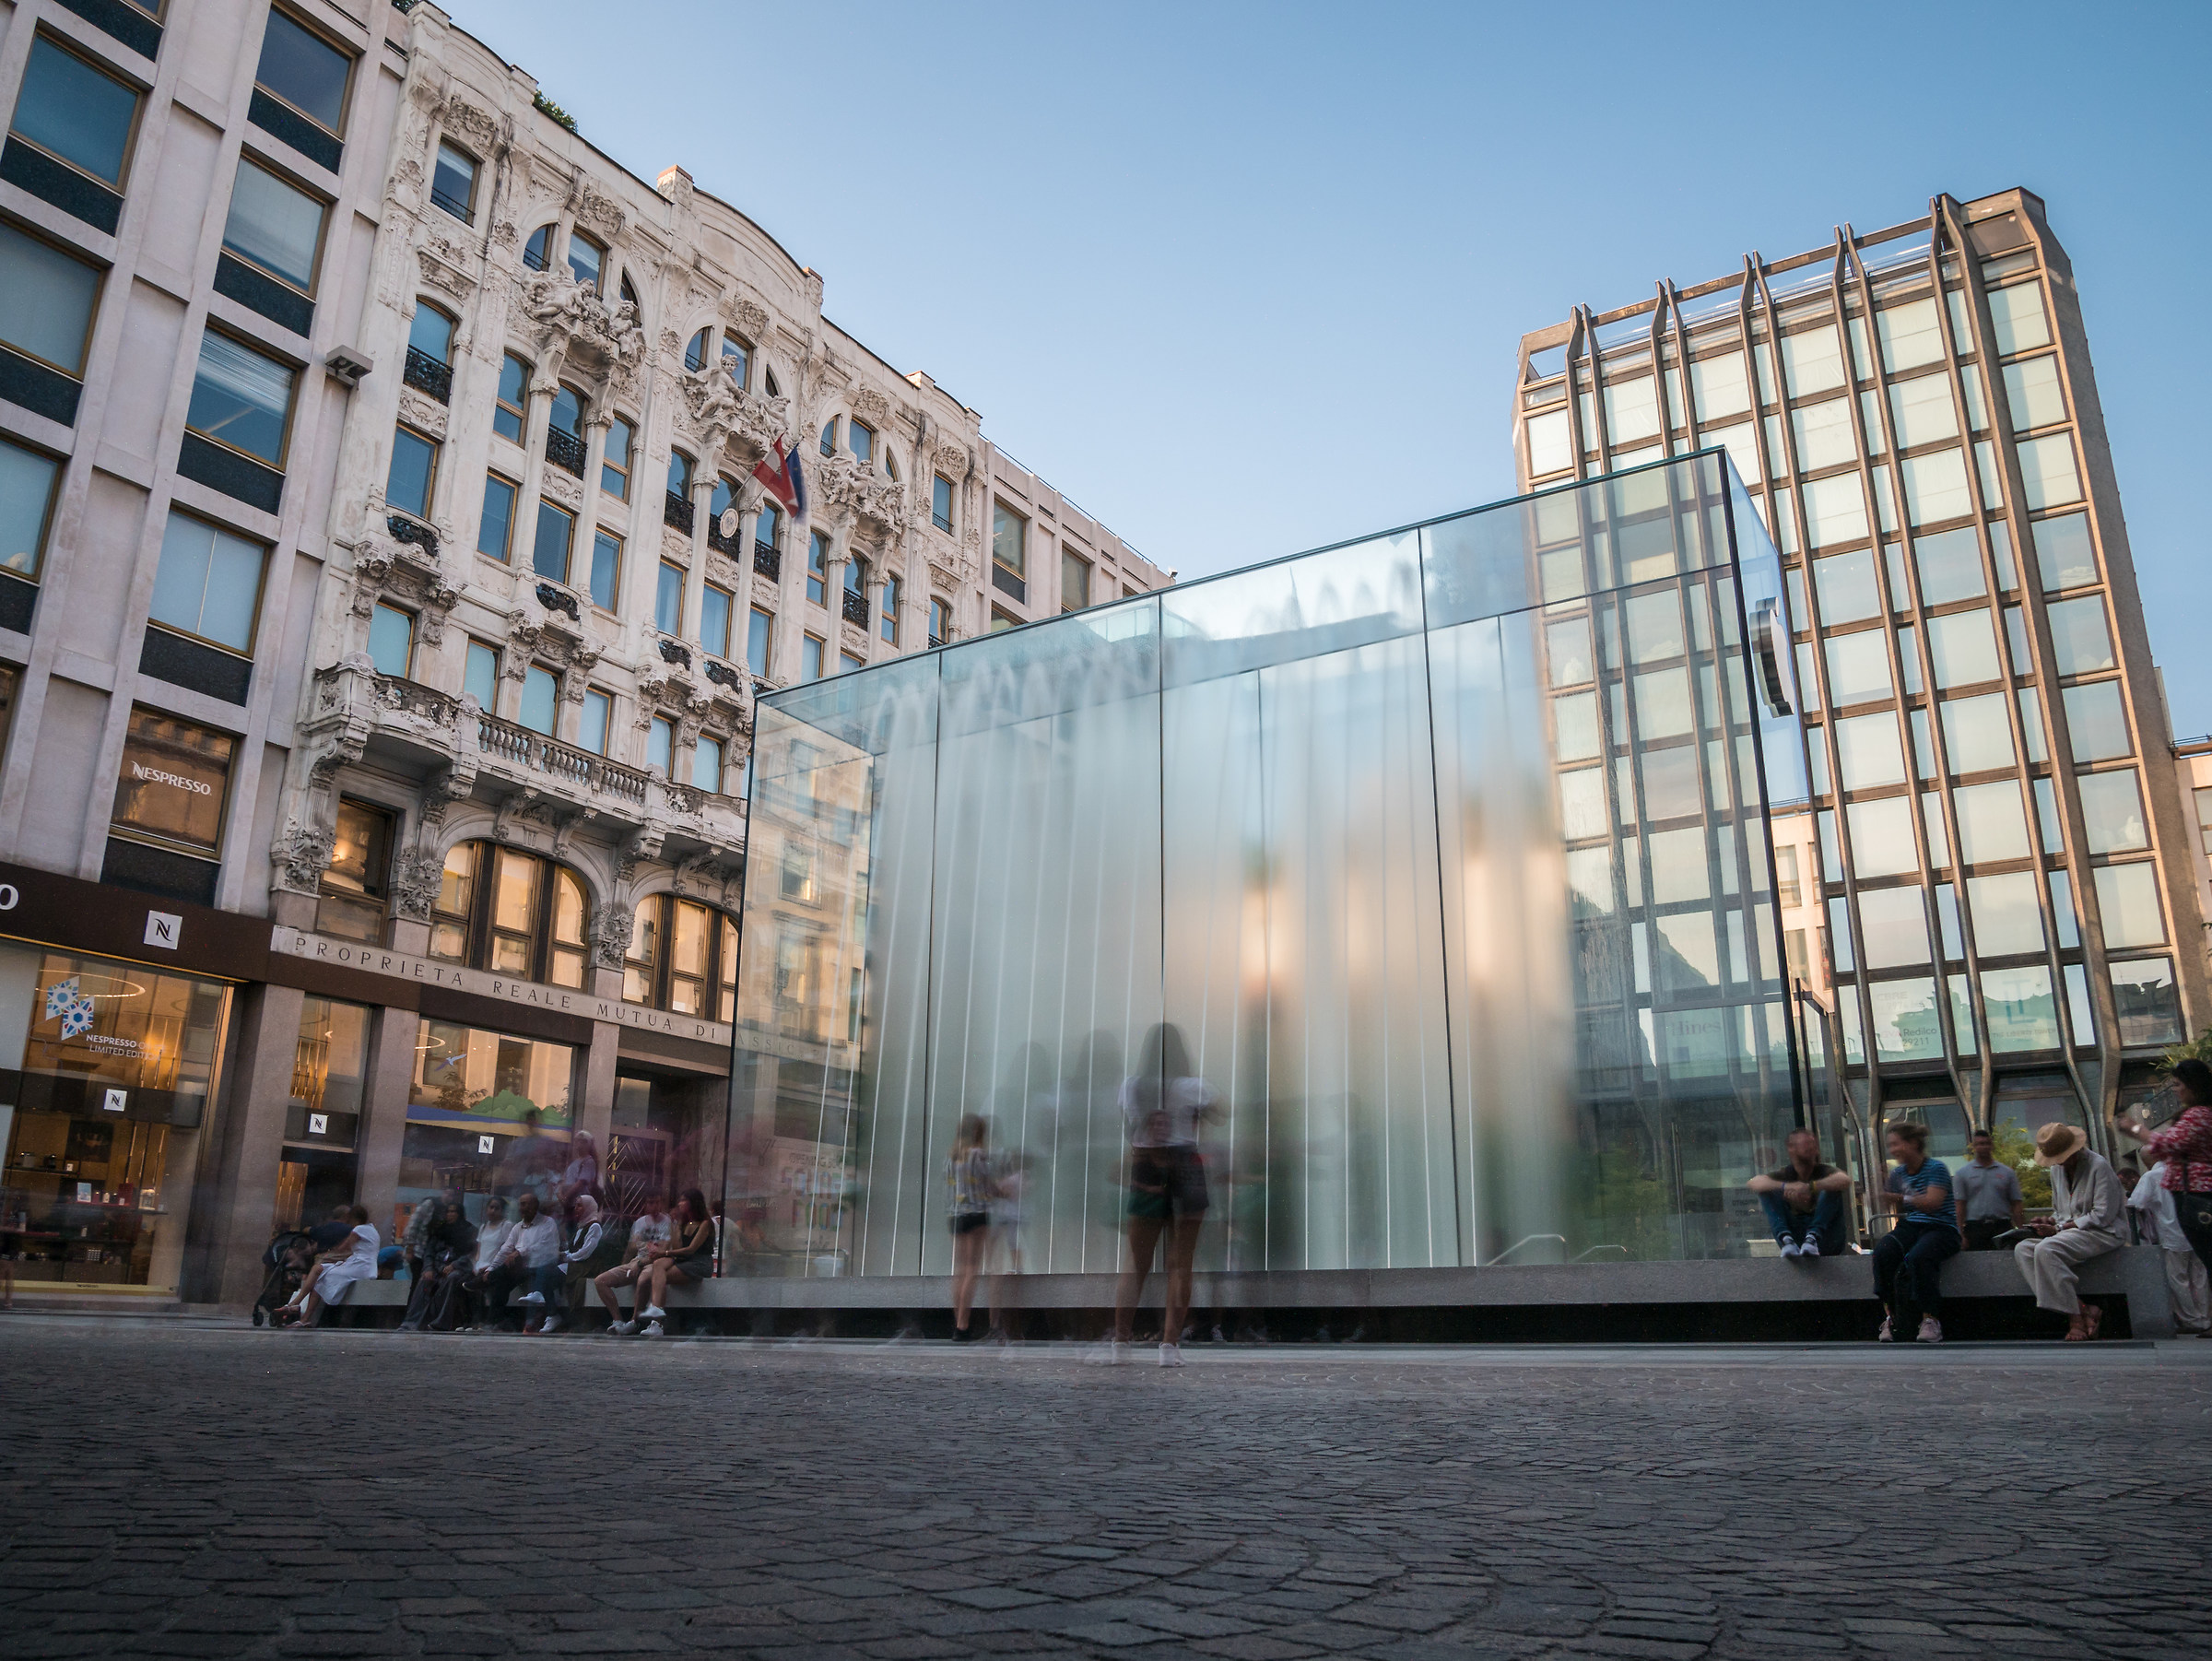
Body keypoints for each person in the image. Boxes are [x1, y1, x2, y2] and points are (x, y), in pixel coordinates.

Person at [1100, 1024, 1220, 1368]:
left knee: (1136, 1263)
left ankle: (1121, 1342)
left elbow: (1130, 1127)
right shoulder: (1192, 1087)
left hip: (1146, 1167)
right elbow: (1220, 1111)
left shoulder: (1131, 1087)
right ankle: (1169, 1346)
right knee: (1181, 1263)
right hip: (1186, 1167)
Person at [2014, 1121, 2128, 1340]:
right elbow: (2060, 1212)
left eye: (2062, 1158)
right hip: (2070, 1234)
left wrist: (2059, 1228)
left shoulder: (2099, 1166)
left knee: (2046, 1250)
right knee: (2023, 1250)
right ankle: (2083, 1308)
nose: (2059, 1164)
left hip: (2104, 1232)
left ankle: (2075, 1319)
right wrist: (2049, 1222)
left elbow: (2103, 1215)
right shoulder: (2057, 1170)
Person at [2114, 1057, 2212, 1278]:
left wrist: (2135, 1127)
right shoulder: (2202, 1113)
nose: (2175, 1091)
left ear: (2192, 1085)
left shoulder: (2198, 1115)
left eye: (2177, 1085)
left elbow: (2167, 1144)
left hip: (2198, 1198)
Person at [1871, 1123, 1958, 1343]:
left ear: (1913, 1144)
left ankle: (1930, 1319)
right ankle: (1891, 1318)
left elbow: (1933, 1202)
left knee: (1920, 1256)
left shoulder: (1936, 1168)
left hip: (1941, 1227)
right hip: (1913, 1225)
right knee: (1883, 1251)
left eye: (1896, 1144)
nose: (1892, 1150)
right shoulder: (1898, 1173)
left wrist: (1899, 1198)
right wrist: (1881, 1182)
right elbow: (1888, 1202)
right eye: (1890, 1146)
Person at [607, 1189, 712, 1337]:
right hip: (683, 1261)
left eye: (684, 1201)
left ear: (694, 1203)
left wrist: (664, 1253)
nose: (680, 1203)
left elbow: (690, 1249)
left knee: (656, 1276)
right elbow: (676, 1245)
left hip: (698, 1263)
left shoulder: (705, 1223)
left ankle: (655, 1319)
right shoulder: (681, 1222)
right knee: (657, 1269)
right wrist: (676, 1226)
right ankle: (651, 1320)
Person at [2127, 1160, 2211, 1337]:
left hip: (2171, 1234)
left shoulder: (2151, 1176)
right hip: (2197, 1232)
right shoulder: (2191, 1171)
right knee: (2200, 1277)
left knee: (2178, 1278)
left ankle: (2191, 1319)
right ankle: (2205, 1318)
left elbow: (2135, 1205)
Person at [1746, 1128, 1852, 1257]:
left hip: (1826, 1240)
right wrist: (1786, 1186)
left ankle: (1812, 1237)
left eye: (1814, 1143)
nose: (1813, 1147)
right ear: (1791, 1148)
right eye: (1807, 1143)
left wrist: (1811, 1187)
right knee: (1766, 1190)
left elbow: (1844, 1180)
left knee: (1833, 1187)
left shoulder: (1824, 1171)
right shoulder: (1784, 1174)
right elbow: (1754, 1183)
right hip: (1796, 1239)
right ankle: (1786, 1240)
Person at [276, 1206, 379, 1328]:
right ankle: (296, 1306)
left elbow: (344, 1247)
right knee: (317, 1269)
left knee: (321, 1277)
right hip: (362, 1267)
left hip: (359, 1267)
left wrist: (328, 1254)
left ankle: (301, 1313)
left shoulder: (359, 1229)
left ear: (353, 1218)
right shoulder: (372, 1229)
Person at [944, 1115, 994, 1342]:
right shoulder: (978, 1154)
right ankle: (964, 1326)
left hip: (956, 1216)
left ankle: (958, 1324)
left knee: (960, 1271)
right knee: (973, 1269)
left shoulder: (952, 1157)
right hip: (976, 1214)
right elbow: (989, 1184)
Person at [484, 1189, 561, 1333]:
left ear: (535, 1206)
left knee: (507, 1273)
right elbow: (505, 1249)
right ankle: (494, 1321)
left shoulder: (547, 1223)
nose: (522, 1208)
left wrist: (519, 1252)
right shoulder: (518, 1227)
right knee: (502, 1281)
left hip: (544, 1266)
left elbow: (543, 1246)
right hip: (523, 1268)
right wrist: (491, 1268)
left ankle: (486, 1280)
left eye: (525, 1204)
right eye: (520, 1205)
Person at [432, 1195, 510, 1332]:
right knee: (460, 1283)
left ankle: (478, 1322)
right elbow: (478, 1251)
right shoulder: (483, 1227)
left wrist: (490, 1267)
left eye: (496, 1208)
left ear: (502, 1211)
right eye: (490, 1207)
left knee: (474, 1286)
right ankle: (467, 1321)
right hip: (479, 1267)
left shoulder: (506, 1226)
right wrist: (476, 1265)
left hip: (494, 1268)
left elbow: (505, 1250)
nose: (492, 1211)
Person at [397, 1197, 476, 1332]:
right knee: (424, 1281)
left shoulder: (469, 1231)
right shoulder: (439, 1231)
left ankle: (440, 1322)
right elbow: (429, 1252)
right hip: (438, 1267)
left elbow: (472, 1254)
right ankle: (410, 1323)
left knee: (452, 1279)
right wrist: (428, 1268)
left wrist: (454, 1265)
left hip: (458, 1269)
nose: (450, 1214)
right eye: (448, 1211)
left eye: (454, 1212)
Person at [539, 1194, 603, 1335]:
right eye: (576, 1205)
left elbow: (586, 1252)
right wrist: (563, 1253)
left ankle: (553, 1314)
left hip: (584, 1266)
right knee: (545, 1272)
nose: (576, 1208)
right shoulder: (581, 1227)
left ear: (588, 1207)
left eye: (580, 1205)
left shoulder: (594, 1227)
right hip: (575, 1262)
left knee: (548, 1277)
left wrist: (567, 1257)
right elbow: (575, 1248)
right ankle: (551, 1313)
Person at [1956, 1129, 2027, 1251]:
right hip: (1975, 1228)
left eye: (1986, 1143)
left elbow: (2016, 1203)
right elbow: (1959, 1205)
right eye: (1980, 1144)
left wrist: (2022, 1232)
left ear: (1992, 1145)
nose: (1984, 1147)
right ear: (1974, 1146)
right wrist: (1960, 1233)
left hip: (2002, 1226)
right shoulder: (1962, 1173)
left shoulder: (2007, 1173)